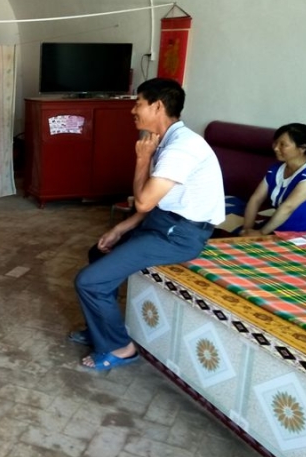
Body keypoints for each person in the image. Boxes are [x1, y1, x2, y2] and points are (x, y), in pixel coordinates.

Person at [70, 78, 225, 371]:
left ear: (158, 106)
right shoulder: (167, 141)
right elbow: (155, 203)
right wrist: (121, 228)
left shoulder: (181, 149)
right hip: (164, 222)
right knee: (98, 253)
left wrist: (142, 159)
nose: (133, 110)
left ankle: (121, 347)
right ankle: (100, 328)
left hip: (179, 235)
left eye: (138, 104)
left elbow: (143, 202)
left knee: (89, 281)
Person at [241, 123, 306, 236]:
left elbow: (288, 207)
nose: (276, 148)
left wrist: (261, 233)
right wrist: (247, 230)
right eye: (275, 143)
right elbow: (256, 199)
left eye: (283, 145)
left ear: (302, 148)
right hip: (280, 229)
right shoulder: (275, 169)